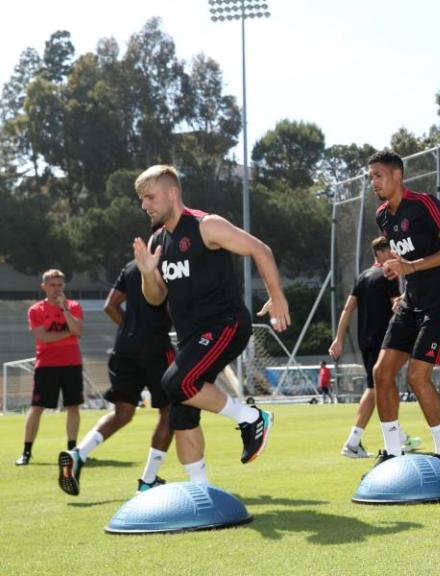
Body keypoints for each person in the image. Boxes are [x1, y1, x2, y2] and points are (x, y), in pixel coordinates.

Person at [64, 165, 289, 489]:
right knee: (182, 413)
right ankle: (202, 491)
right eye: (141, 200)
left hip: (225, 324)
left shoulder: (205, 225)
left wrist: (276, 295)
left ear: (172, 193)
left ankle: (252, 418)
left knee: (176, 382)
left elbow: (259, 249)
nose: (145, 205)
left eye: (150, 197)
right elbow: (156, 298)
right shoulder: (158, 240)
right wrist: (146, 272)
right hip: (191, 337)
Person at [368, 150, 440, 471]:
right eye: (371, 177)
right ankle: (393, 451)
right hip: (411, 301)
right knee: (381, 373)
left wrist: (412, 265)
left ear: (397, 176)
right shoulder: (383, 215)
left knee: (416, 376)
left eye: (378, 175)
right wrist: (397, 272)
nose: (374, 182)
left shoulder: (424, 204)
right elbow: (402, 257)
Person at [57, 260, 175, 495]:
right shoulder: (174, 265)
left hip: (124, 347)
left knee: (122, 412)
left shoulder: (132, 266)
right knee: (171, 411)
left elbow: (110, 306)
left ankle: (78, 454)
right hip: (156, 348)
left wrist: (132, 328)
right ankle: (148, 479)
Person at [330, 236, 409, 458]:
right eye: (392, 250)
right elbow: (398, 307)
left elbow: (347, 309)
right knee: (376, 389)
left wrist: (338, 338)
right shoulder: (388, 275)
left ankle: (399, 435)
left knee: (387, 386)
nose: (395, 254)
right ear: (383, 252)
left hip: (366, 340)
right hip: (384, 340)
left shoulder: (363, 276)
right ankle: (353, 442)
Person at [17, 269, 84, 466]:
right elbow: (44, 337)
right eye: (52, 285)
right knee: (37, 408)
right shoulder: (35, 310)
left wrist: (65, 310)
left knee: (73, 406)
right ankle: (26, 452)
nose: (56, 289)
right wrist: (69, 332)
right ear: (44, 286)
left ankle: (72, 450)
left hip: (72, 363)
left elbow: (78, 330)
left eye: (60, 285)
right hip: (46, 365)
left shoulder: (73, 306)